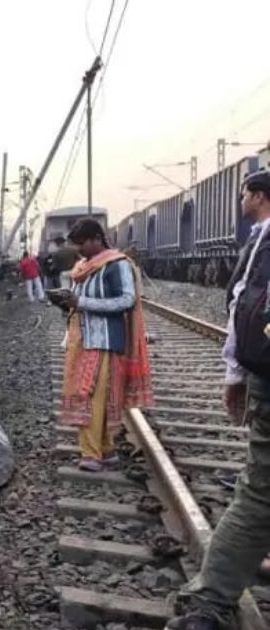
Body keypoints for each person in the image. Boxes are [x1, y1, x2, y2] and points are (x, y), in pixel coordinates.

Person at [166, 170, 270, 630]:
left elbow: (239, 304)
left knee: (258, 495)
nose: (242, 200)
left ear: (260, 197)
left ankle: (210, 601)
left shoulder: (262, 240)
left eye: (246, 193)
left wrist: (235, 373)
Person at [50, 218, 152, 473]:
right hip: (85, 339)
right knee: (98, 396)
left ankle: (92, 454)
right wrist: (67, 302)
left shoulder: (117, 265)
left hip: (105, 340)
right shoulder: (83, 266)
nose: (79, 250)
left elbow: (127, 300)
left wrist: (81, 302)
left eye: (82, 243)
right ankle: (105, 450)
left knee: (93, 397)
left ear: (97, 238)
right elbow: (80, 299)